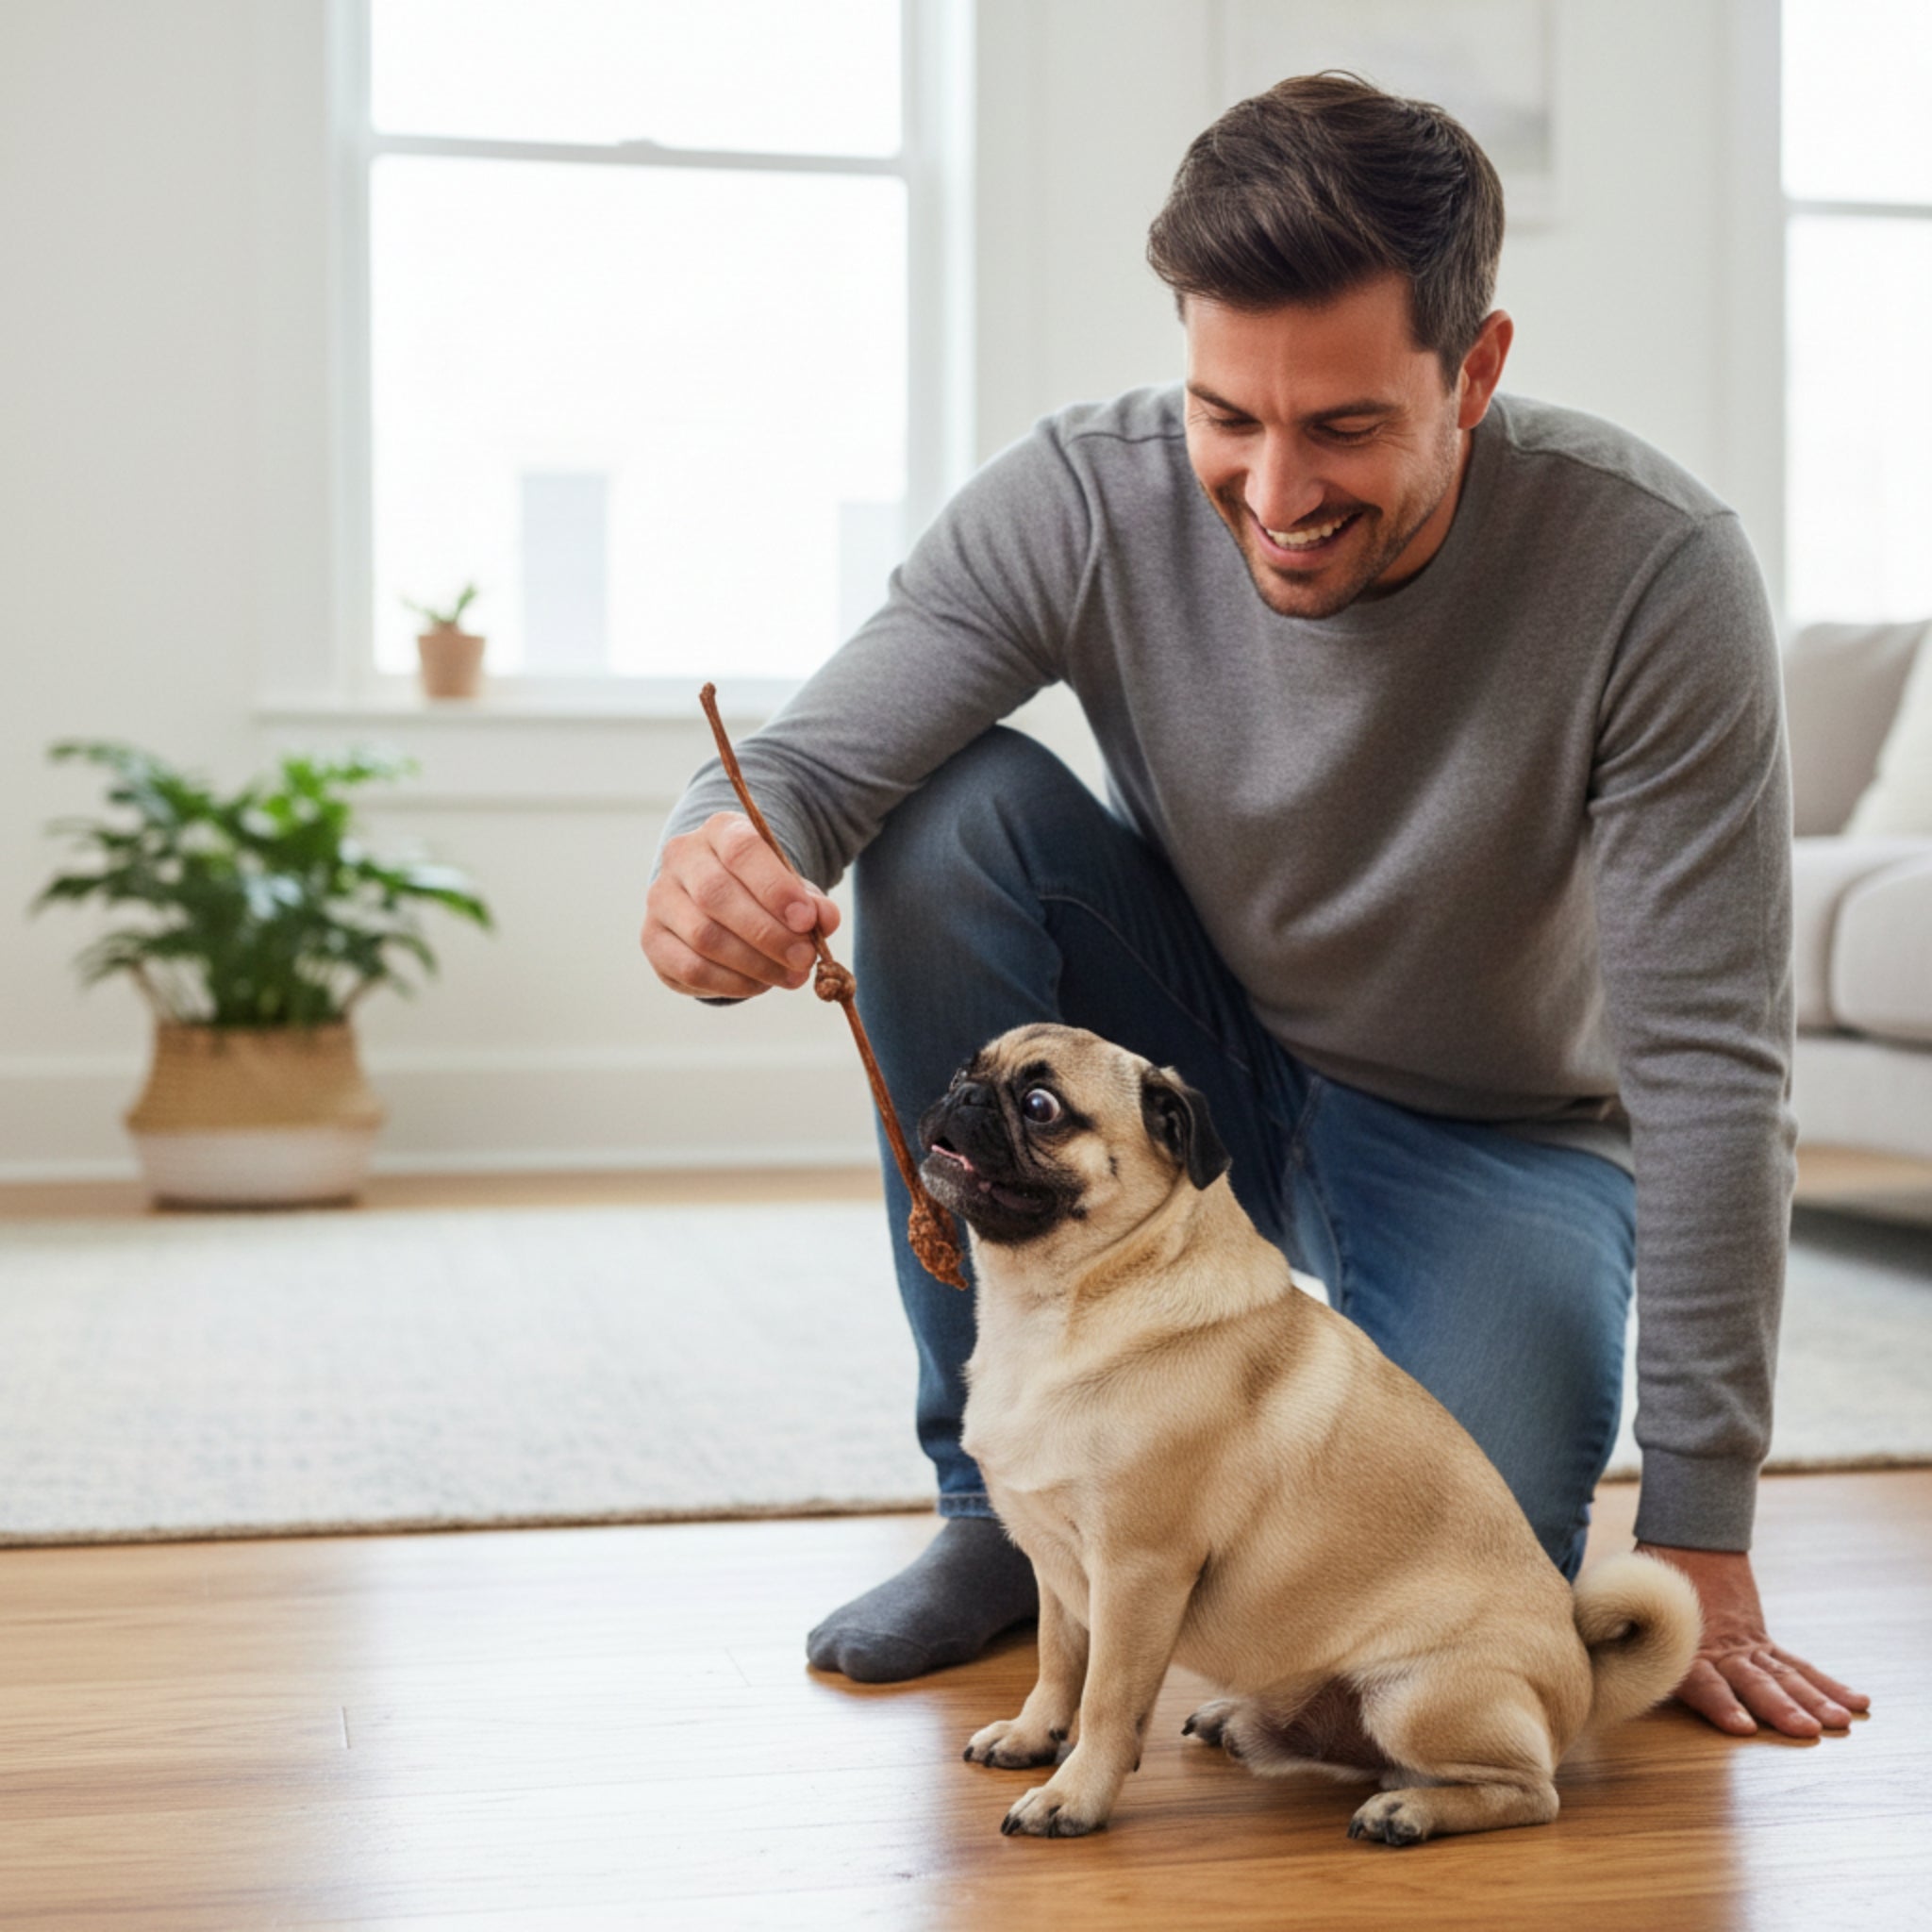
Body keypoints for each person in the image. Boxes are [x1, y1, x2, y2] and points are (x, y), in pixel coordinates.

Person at [644, 74, 1868, 1741]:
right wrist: (721, 847)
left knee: (1423, 1617)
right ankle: (998, 1514)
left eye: (1346, 426)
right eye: (1231, 414)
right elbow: (801, 769)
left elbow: (1714, 1071)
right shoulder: (1087, 491)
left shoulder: (1652, 574)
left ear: (1478, 371)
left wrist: (1705, 1525)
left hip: (1501, 1133)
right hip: (1192, 1064)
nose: (1276, 489)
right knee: (948, 816)